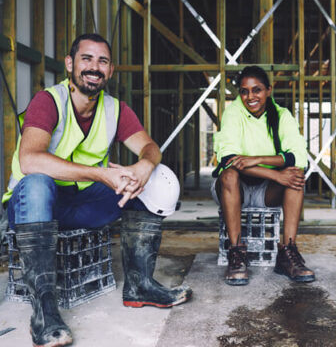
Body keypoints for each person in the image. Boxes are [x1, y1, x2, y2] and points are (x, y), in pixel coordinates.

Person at [2, 33, 192, 347]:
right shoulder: (48, 101)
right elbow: (30, 159)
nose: (94, 67)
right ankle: (45, 313)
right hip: (36, 208)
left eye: (102, 61)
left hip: (85, 202)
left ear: (111, 70)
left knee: (160, 179)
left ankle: (139, 285)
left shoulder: (115, 109)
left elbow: (148, 146)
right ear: (70, 64)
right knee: (36, 183)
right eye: (86, 59)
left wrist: (143, 166)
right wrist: (100, 174)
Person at [211, 65, 315, 286]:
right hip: (233, 188)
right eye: (244, 91)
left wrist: (257, 159)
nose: (250, 97)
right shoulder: (233, 113)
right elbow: (228, 159)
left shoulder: (281, 115)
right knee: (229, 174)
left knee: (295, 175)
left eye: (256, 90)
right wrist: (277, 175)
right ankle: (237, 254)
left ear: (268, 90)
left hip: (266, 191)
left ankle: (287, 252)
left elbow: (299, 157)